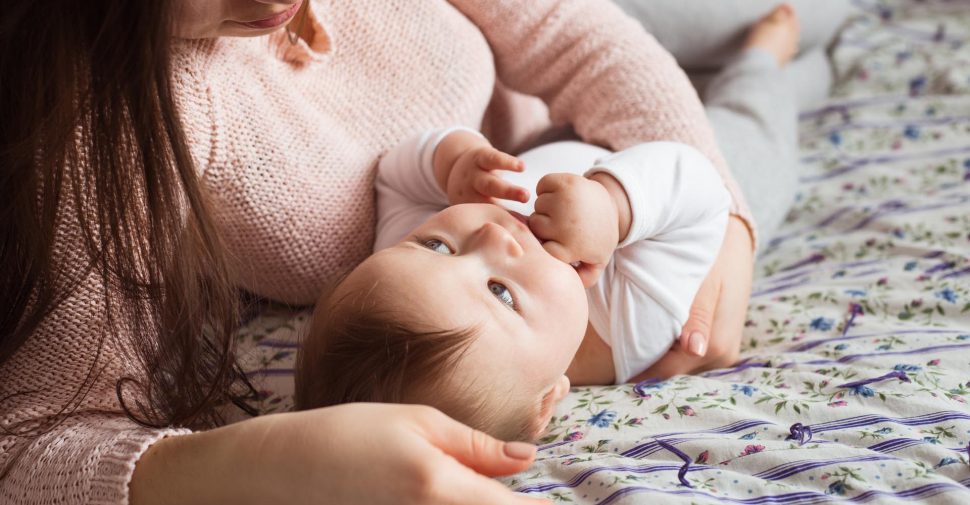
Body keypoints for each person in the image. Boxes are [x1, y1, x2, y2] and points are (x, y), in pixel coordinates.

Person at [0, 0, 771, 502]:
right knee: (769, 67)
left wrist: (722, 210)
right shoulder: (108, 136)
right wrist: (237, 469)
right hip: (609, 183)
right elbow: (30, 438)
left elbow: (563, 29)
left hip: (602, 141)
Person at [294, 6, 817, 443]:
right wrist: (613, 207)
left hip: (585, 130)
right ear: (547, 401)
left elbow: (394, 180)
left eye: (437, 246)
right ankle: (765, 63)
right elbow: (699, 188)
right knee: (755, 123)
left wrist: (450, 162)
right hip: (687, 199)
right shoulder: (638, 324)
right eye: (500, 294)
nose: (491, 236)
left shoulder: (410, 287)